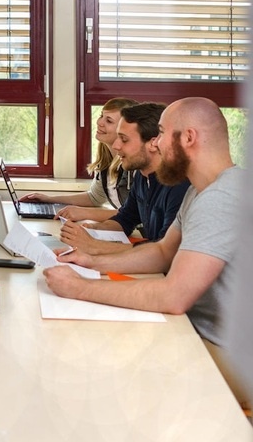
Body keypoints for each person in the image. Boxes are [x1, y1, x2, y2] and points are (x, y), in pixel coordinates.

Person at [44, 97, 246, 412]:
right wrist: (92, 261)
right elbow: (163, 252)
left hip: (229, 353)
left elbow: (173, 295)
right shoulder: (200, 190)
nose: (157, 144)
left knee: (115, 367)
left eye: (162, 133)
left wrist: (79, 287)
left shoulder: (220, 198)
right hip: (199, 331)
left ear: (188, 138)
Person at [58, 102, 190, 255]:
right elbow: (125, 218)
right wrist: (94, 229)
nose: (116, 146)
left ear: (153, 143)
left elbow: (166, 250)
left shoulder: (180, 185)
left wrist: (95, 246)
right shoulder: (142, 175)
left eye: (124, 139)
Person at [19, 97, 137, 222]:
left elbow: (134, 214)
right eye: (101, 116)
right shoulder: (106, 163)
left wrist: (84, 213)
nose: (99, 122)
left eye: (109, 120)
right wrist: (49, 199)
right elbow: (94, 198)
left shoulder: (134, 165)